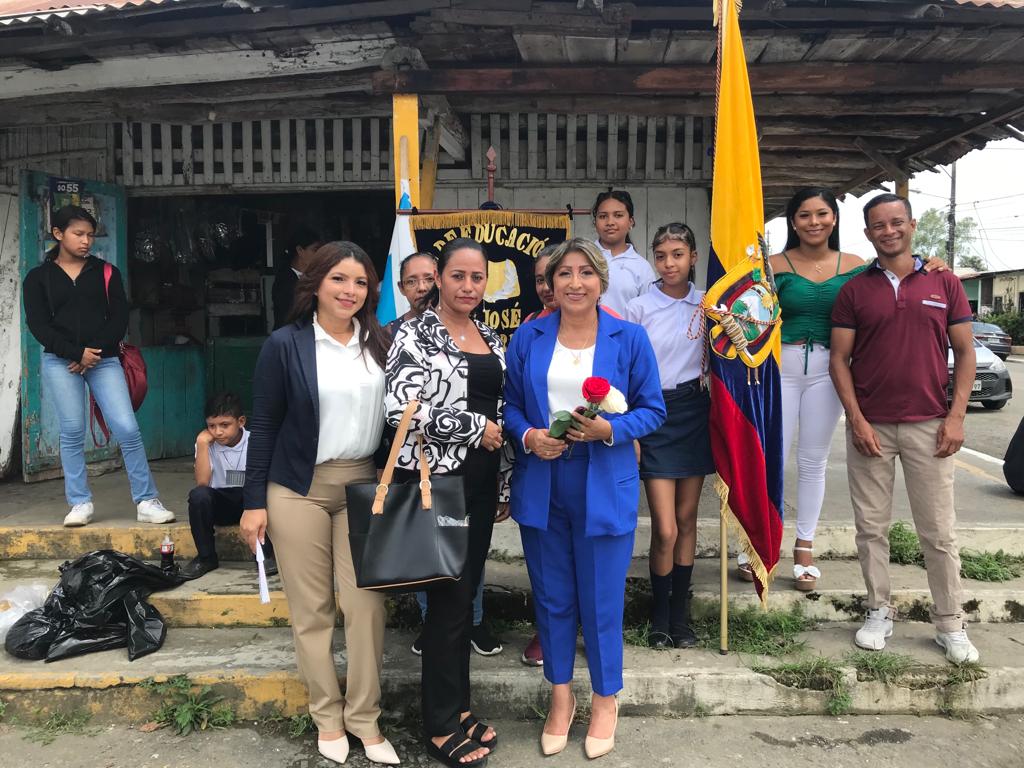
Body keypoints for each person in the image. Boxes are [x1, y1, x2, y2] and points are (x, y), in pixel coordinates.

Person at [504, 238, 665, 760]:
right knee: (552, 597)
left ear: (602, 281)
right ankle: (560, 698)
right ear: (550, 284)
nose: (575, 283)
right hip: (543, 479)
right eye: (564, 273)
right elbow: (510, 406)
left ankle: (603, 700)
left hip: (603, 480)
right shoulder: (528, 336)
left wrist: (609, 430)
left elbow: (653, 409)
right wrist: (530, 436)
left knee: (601, 601)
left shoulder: (629, 337)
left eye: (586, 272)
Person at [738, 187, 946, 589]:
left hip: (830, 370)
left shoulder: (856, 266)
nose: (813, 222)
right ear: (792, 221)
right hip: (779, 368)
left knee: (813, 460)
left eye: (822, 214)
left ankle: (804, 547)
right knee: (769, 458)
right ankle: (756, 545)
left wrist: (932, 263)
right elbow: (748, 311)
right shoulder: (770, 264)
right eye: (804, 215)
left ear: (834, 218)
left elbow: (901, 271)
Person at [241, 242, 400, 766]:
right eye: (339, 279)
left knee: (366, 604)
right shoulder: (285, 345)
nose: (350, 291)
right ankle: (327, 716)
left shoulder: (381, 343)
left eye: (360, 282)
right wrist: (253, 502)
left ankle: (365, 717)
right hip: (297, 487)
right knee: (313, 610)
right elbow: (264, 426)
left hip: (363, 485)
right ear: (315, 284)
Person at [829, 193, 979, 664]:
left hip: (930, 425)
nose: (888, 231)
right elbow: (839, 359)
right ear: (868, 232)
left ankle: (950, 622)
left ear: (911, 225)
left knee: (937, 532)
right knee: (871, 529)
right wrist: (856, 420)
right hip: (871, 425)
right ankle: (878, 610)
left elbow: (966, 352)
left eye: (896, 222)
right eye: (878, 225)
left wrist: (956, 417)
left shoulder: (944, 282)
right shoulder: (855, 290)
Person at [385, 238, 511, 768]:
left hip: (480, 483)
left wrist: (502, 485)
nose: (468, 286)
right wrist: (472, 427)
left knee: (464, 598)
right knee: (447, 601)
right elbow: (400, 409)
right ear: (438, 278)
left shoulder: (489, 335)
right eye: (458, 275)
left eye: (477, 277)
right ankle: (438, 725)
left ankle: (458, 708)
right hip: (437, 480)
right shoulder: (414, 332)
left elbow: (500, 409)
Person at [22, 205, 175, 528]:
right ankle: (79, 502)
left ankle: (146, 500)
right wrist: (76, 353)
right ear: (58, 234)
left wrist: (93, 353)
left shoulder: (106, 272)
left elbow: (118, 318)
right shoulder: (38, 278)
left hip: (104, 361)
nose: (86, 241)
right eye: (78, 234)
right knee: (72, 432)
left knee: (127, 428)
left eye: (90, 235)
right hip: (61, 361)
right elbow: (39, 325)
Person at [624, 223, 715, 649]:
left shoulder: (709, 305)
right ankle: (659, 614)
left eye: (678, 254)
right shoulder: (639, 307)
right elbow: (627, 368)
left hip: (693, 410)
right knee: (664, 527)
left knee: (686, 519)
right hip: (653, 412)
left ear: (693, 257)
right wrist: (632, 427)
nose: (669, 263)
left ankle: (680, 618)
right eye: (661, 256)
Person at [182, 392, 276, 580]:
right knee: (198, 496)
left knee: (268, 493)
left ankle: (264, 555)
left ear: (241, 421)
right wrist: (202, 444)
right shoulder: (206, 444)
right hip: (222, 503)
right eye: (212, 426)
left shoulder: (255, 441)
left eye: (225, 425)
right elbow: (202, 483)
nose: (218, 432)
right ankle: (206, 557)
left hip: (251, 502)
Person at [591, 189, 656, 316]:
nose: (610, 222)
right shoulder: (583, 257)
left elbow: (648, 315)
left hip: (625, 329)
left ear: (631, 221)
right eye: (603, 216)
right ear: (595, 222)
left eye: (618, 215)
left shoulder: (642, 267)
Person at [272, 226, 322, 330]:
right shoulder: (285, 280)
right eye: (315, 250)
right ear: (300, 250)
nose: (319, 255)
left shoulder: (316, 277)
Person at [385, 251, 437, 338]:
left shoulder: (458, 324)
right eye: (411, 282)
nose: (421, 288)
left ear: (440, 281)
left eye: (430, 279)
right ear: (401, 288)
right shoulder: (389, 333)